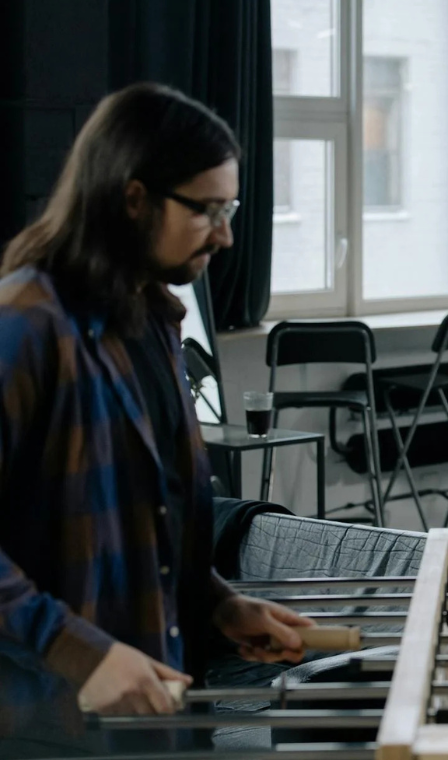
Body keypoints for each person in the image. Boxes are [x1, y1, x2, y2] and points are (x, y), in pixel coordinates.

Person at [0, 83, 315, 755]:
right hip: (47, 725)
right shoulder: (23, 324)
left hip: (159, 714)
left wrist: (217, 603)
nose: (227, 234)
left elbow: (151, 518)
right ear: (132, 197)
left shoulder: (156, 320)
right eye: (207, 210)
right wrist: (81, 654)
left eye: (229, 208)